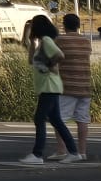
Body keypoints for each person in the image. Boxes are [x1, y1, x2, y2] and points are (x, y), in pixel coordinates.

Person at [21, 14, 77, 166]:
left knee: (39, 119)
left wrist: (49, 65)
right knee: (56, 120)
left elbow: (60, 55)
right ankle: (73, 152)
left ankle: (37, 154)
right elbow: (30, 60)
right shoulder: (41, 43)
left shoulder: (46, 41)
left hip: (49, 86)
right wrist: (31, 41)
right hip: (48, 86)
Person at [55, 12, 94, 162]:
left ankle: (62, 150)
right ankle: (82, 151)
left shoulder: (60, 40)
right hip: (84, 84)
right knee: (82, 119)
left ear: (64, 25)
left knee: (61, 119)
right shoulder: (86, 41)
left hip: (67, 85)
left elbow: (55, 58)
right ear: (78, 25)